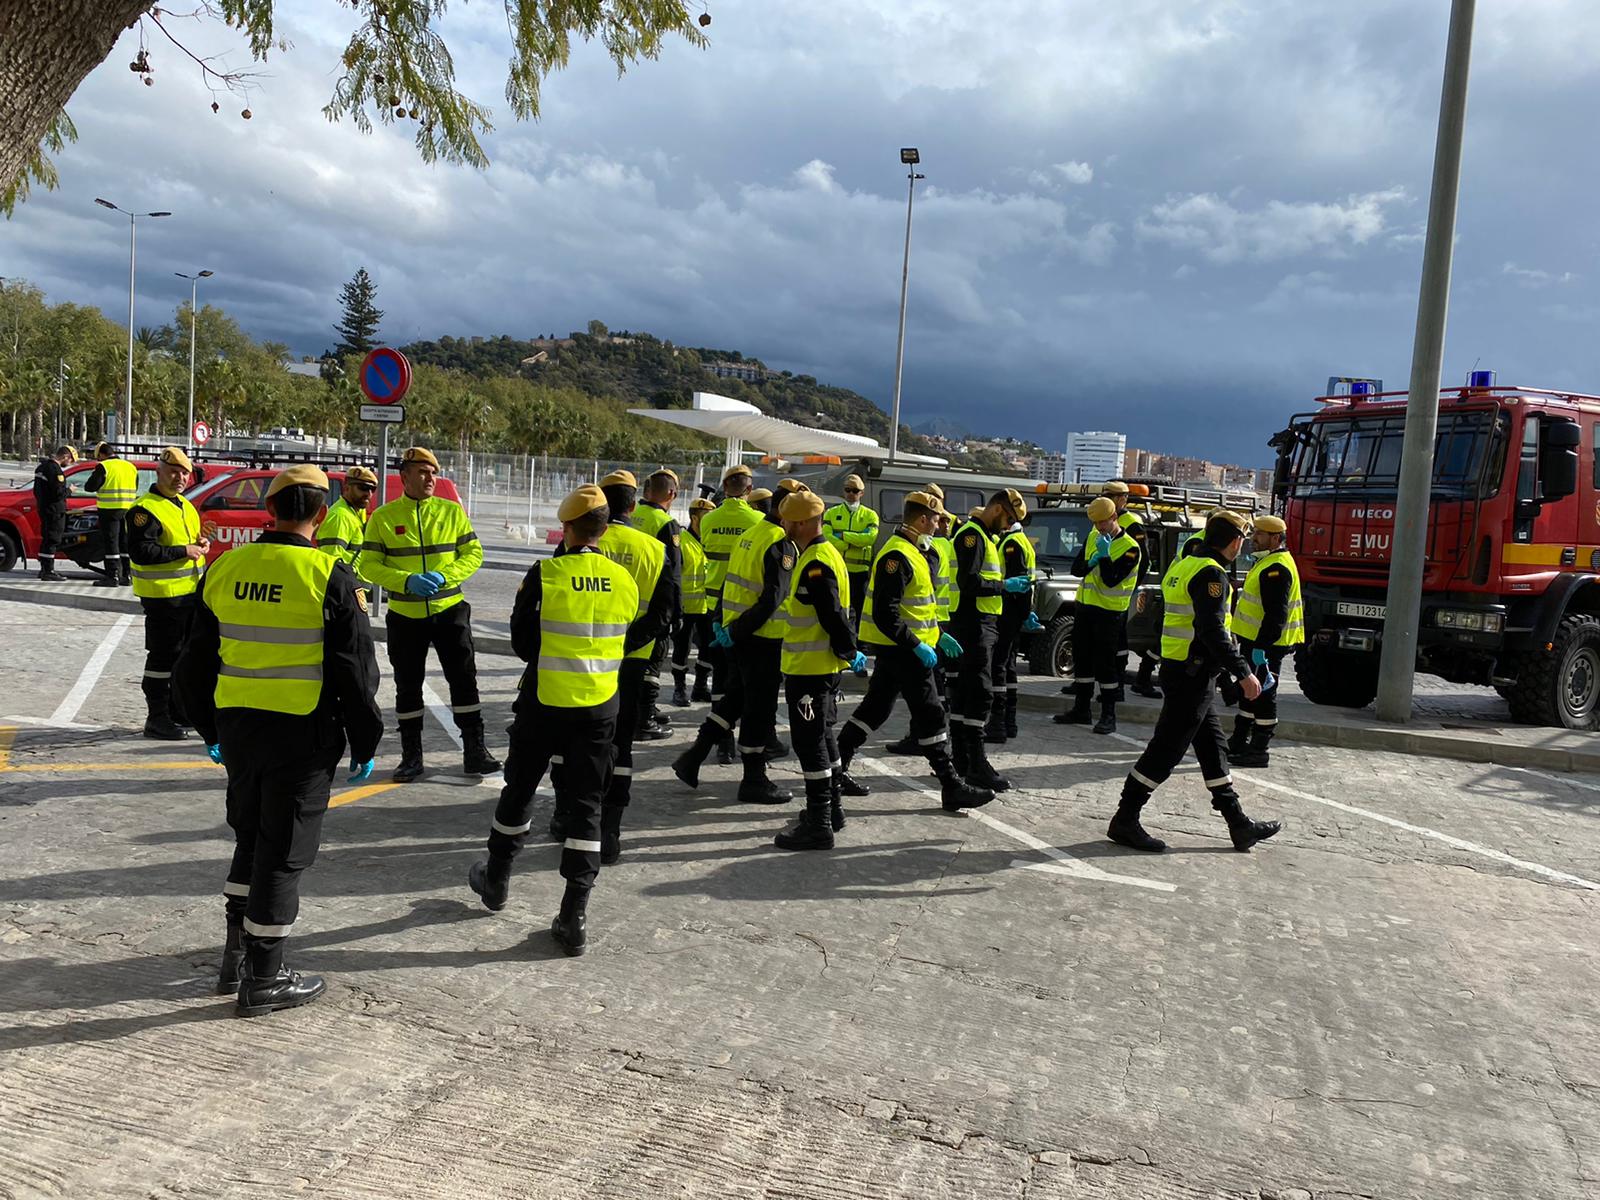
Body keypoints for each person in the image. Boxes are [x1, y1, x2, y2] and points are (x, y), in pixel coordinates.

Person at [175, 465, 383, 1016]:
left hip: (240, 730)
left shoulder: (225, 568)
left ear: (270, 510)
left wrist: (209, 730)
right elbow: (356, 674)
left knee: (250, 836)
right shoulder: (329, 577)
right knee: (283, 855)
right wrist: (366, 742)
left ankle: (234, 955)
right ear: (320, 513)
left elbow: (192, 664)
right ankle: (265, 978)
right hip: (302, 732)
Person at [468, 485, 637, 957]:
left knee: (519, 790)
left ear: (565, 529)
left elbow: (523, 643)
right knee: (586, 807)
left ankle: (496, 881)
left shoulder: (546, 574)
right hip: (599, 706)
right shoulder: (623, 580)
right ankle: (573, 915)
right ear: (604, 529)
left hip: (544, 701)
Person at [1109, 511, 1282, 853]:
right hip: (1192, 673)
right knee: (1166, 750)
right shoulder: (1210, 573)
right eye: (1242, 541)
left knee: (1212, 748)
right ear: (1234, 541)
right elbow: (1212, 630)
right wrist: (1243, 672)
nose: (1242, 546)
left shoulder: (1184, 564)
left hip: (1187, 670)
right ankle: (1125, 818)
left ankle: (1238, 823)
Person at [837, 492, 994, 811]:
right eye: (936, 519)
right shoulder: (898, 556)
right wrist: (917, 644)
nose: (940, 525)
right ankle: (951, 785)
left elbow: (919, 609)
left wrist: (937, 635)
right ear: (922, 519)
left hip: (908, 647)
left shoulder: (917, 552)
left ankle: (835, 767)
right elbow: (886, 613)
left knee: (875, 709)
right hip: (903, 650)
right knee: (931, 714)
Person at [358, 446, 500, 781]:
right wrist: (406, 581)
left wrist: (444, 576)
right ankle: (411, 756)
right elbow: (368, 565)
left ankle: (474, 752)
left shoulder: (451, 513)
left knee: (464, 682)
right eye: (422, 472)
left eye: (433, 472)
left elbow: (474, 553)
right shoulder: (383, 517)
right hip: (406, 616)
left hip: (450, 611)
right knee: (408, 686)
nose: (430, 478)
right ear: (404, 476)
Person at [671, 479, 806, 802]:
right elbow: (771, 599)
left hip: (740, 635)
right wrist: (736, 630)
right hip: (762, 638)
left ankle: (694, 756)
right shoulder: (780, 543)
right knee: (758, 711)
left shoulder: (752, 534)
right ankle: (754, 778)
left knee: (734, 700)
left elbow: (731, 582)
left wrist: (723, 623)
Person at [771, 489, 863, 849]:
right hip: (818, 665)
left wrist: (848, 648)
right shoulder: (825, 553)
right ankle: (833, 810)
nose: (785, 525)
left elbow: (831, 614)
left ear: (807, 522)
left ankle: (819, 822)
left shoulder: (815, 562)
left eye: (791, 520)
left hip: (810, 668)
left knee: (810, 745)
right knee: (824, 737)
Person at [588, 469, 670, 861]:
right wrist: (630, 643)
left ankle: (570, 816)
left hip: (585, 658)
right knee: (622, 744)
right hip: (633, 661)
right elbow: (665, 612)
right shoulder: (654, 548)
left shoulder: (583, 540)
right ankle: (611, 831)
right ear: (634, 505)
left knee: (582, 744)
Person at [948, 489, 1029, 791]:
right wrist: (1004, 585)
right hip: (974, 622)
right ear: (997, 509)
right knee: (980, 693)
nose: (1007, 526)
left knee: (967, 693)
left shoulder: (985, 536)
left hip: (979, 621)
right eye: (1008, 518)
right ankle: (976, 762)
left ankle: (962, 760)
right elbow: (968, 582)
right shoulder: (974, 536)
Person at [129, 447, 210, 739]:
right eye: (174, 471)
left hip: (187, 595)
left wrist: (200, 544)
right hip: (162, 597)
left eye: (184, 473)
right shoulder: (144, 509)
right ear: (159, 471)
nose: (180, 477)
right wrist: (183, 551)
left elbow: (188, 542)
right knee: (163, 658)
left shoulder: (184, 505)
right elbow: (141, 551)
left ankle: (177, 711)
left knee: (183, 657)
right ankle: (157, 716)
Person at [1056, 497, 1141, 734]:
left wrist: (1103, 557)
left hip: (1109, 613)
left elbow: (1112, 580)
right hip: (1085, 608)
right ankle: (1081, 709)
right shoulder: (1094, 536)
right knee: (1082, 659)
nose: (1099, 528)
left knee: (1105, 665)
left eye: (1103, 523)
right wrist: (1092, 560)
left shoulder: (1130, 548)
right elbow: (1076, 570)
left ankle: (1108, 715)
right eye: (1095, 523)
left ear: (1115, 518)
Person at [699, 464, 764, 762]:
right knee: (746, 680)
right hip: (745, 612)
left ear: (725, 488)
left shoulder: (709, 519)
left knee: (719, 675)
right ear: (749, 490)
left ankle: (722, 740)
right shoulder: (758, 521)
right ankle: (749, 741)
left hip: (712, 607)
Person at [1227, 514, 1302, 769]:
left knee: (1264, 694)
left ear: (1275, 538)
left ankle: (1260, 748)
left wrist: (1262, 646)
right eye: (1254, 533)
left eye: (1259, 534)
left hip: (1266, 644)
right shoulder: (1267, 562)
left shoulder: (1276, 568)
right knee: (1249, 692)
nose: (1253, 539)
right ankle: (1239, 739)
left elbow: (1276, 614)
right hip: (1255, 641)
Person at [627, 468, 683, 740]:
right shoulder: (665, 524)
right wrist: (677, 611)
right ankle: (644, 717)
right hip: (652, 606)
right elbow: (673, 575)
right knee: (651, 664)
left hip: (623, 602)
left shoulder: (631, 515)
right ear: (671, 494)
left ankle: (640, 709)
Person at [987, 502, 1040, 744]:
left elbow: (1017, 582)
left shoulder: (1012, 543)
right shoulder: (1022, 541)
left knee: (999, 666)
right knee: (1008, 666)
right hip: (1014, 612)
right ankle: (1009, 721)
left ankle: (999, 723)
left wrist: (1021, 611)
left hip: (1007, 611)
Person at [670, 496, 716, 706]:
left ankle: (700, 686)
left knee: (708, 648)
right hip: (687, 607)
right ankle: (679, 689)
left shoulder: (711, 540)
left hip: (707, 606)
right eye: (707, 516)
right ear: (695, 517)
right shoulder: (683, 541)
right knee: (682, 649)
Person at [823, 473, 879, 629]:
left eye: (854, 490)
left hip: (859, 572)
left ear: (862, 493)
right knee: (836, 605)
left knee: (858, 608)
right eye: (848, 490)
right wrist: (847, 545)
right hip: (836, 568)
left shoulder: (870, 515)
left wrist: (842, 535)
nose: (850, 494)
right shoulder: (831, 513)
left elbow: (869, 539)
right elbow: (826, 536)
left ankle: (859, 642)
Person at [83, 441, 137, 586]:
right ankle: (127, 575)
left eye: (98, 457)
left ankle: (112, 576)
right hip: (128, 509)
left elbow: (90, 486)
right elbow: (136, 485)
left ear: (101, 454)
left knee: (111, 543)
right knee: (124, 542)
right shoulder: (130, 466)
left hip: (109, 510)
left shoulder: (104, 466)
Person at [315, 465, 379, 569]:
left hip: (357, 583)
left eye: (372, 489)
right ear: (347, 488)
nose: (369, 494)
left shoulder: (357, 512)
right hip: (349, 583)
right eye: (363, 488)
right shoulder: (340, 516)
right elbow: (331, 563)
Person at [32, 444, 75, 581]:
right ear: (65, 456)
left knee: (46, 538)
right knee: (53, 539)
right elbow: (58, 493)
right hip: (54, 510)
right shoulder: (55, 470)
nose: (70, 463)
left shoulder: (41, 467)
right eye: (71, 460)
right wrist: (70, 490)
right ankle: (48, 571)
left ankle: (44, 568)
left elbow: (37, 491)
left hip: (44, 508)